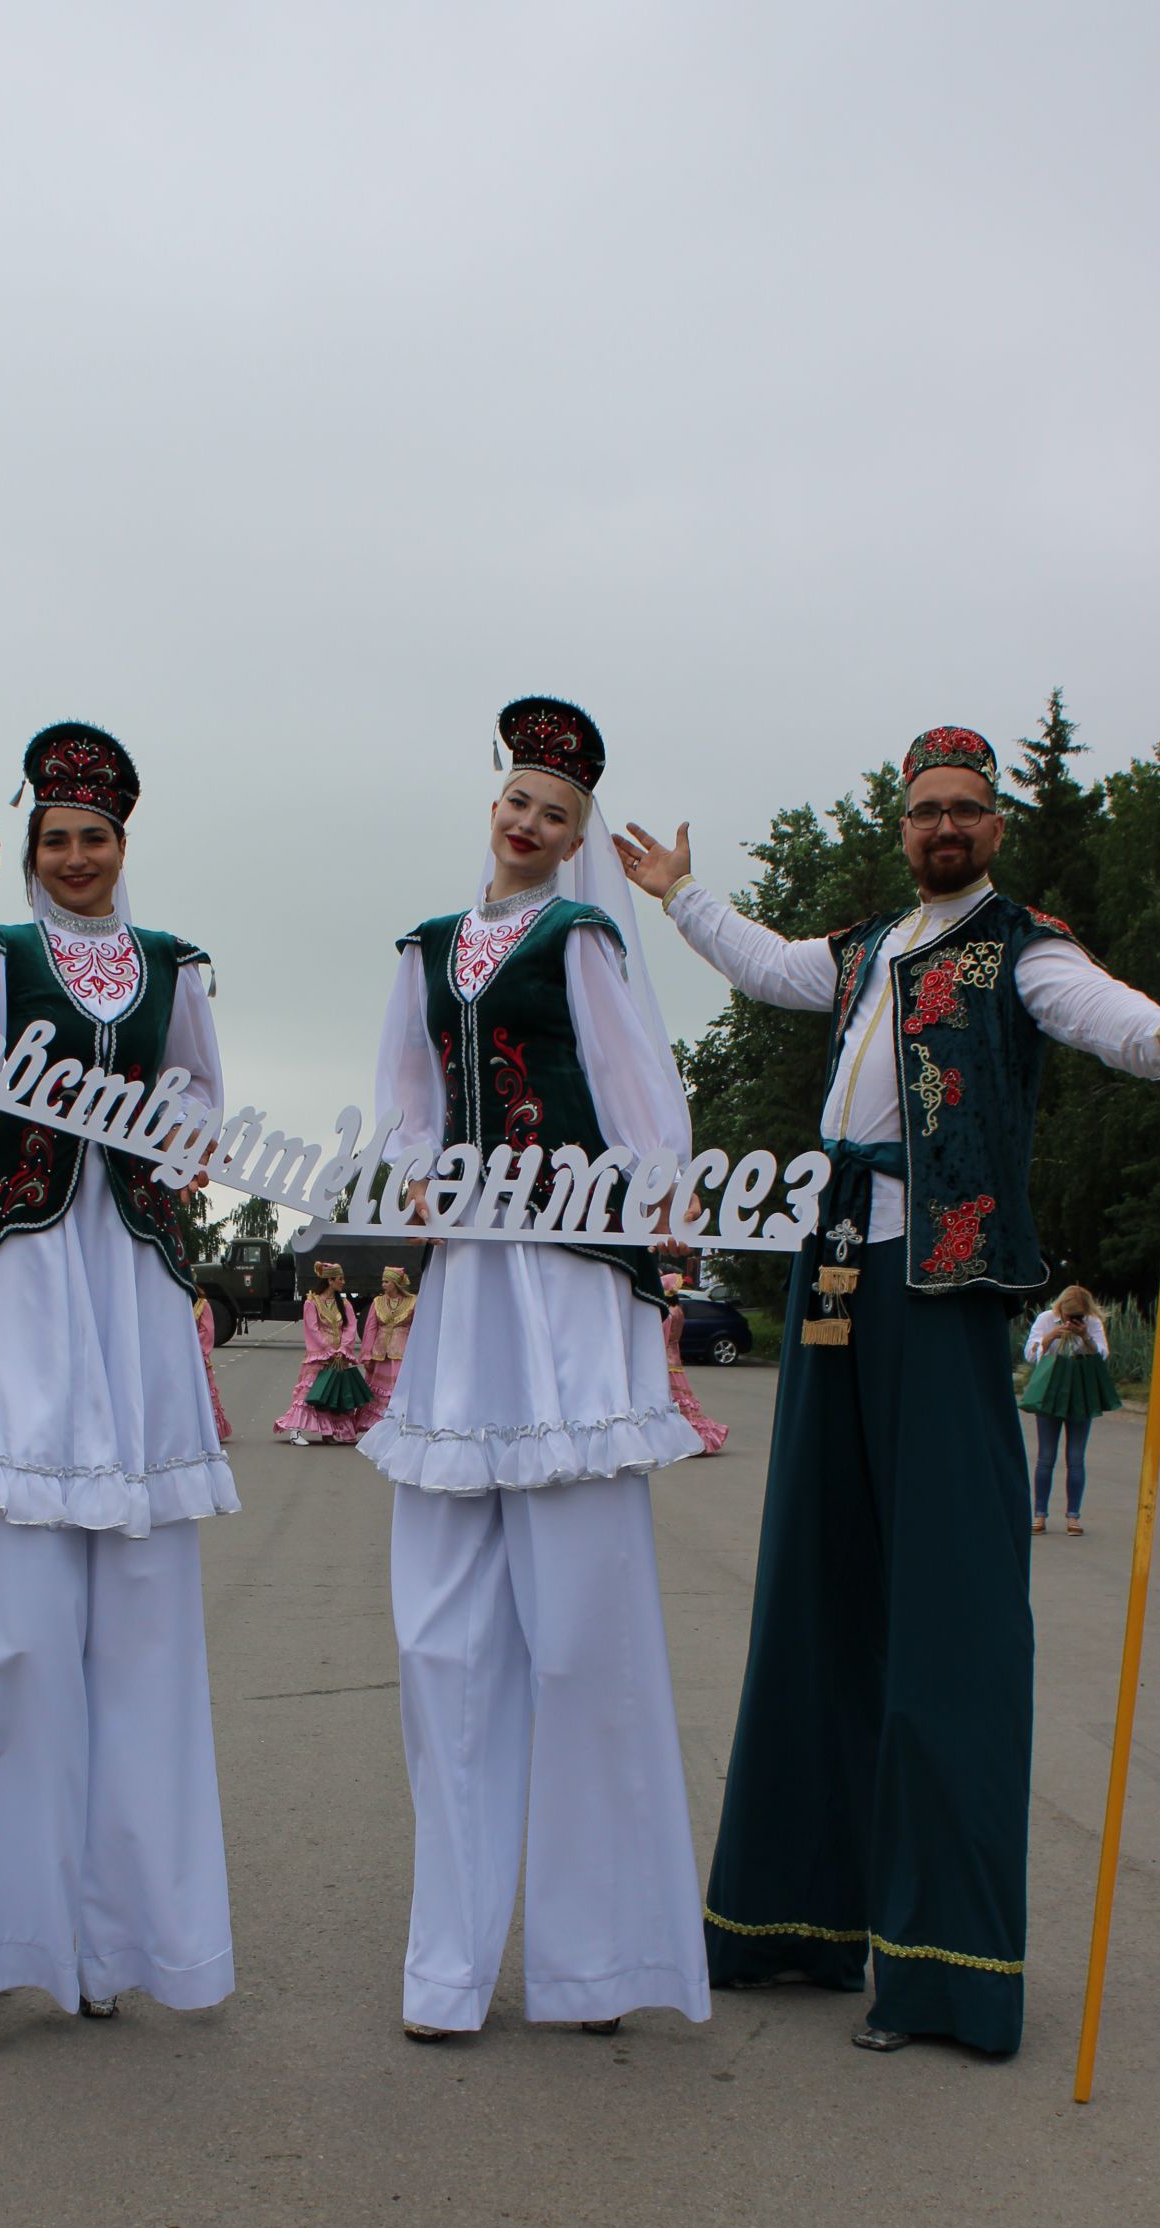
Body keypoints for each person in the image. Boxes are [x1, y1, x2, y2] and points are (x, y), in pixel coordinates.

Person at [618, 724, 1160, 2056]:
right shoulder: (867, 948)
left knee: (948, 1615)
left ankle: (947, 1968)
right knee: (813, 1587)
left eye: (966, 811)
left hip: (944, 1287)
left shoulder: (1025, 942)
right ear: (902, 826)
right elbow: (768, 966)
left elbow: (1099, 1009)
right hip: (835, 1270)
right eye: (925, 811)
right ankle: (795, 1926)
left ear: (995, 825)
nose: (944, 828)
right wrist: (679, 897)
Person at [364, 695, 710, 2043]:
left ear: (577, 839)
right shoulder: (426, 948)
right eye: (518, 803)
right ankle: (447, 1970)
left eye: (556, 814)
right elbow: (404, 1092)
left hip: (566, 1287)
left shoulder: (585, 936)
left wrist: (662, 1225)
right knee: (441, 1642)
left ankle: (591, 1964)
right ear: (494, 808)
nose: (529, 825)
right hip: (467, 1300)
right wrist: (413, 1174)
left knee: (580, 1643)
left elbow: (642, 1093)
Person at [0, 721, 237, 2053]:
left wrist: (177, 1137)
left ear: (122, 845)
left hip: (138, 1287)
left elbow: (207, 1103)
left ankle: (118, 1945)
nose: (76, 858)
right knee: (15, 1644)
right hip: (27, 1286)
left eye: (95, 838)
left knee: (143, 1641)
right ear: (33, 850)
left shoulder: (173, 968)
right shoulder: (0, 958)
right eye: (56, 839)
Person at [1021, 1285, 1119, 1533]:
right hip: (1050, 1392)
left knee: (1075, 1458)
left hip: (1079, 1393)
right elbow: (1030, 1355)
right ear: (1061, 1310)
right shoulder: (1046, 1319)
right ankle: (1039, 1514)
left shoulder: (1092, 1322)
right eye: (1069, 1316)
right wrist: (1051, 1336)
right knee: (1046, 1457)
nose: (1072, 1320)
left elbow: (1103, 1355)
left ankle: (1073, 1516)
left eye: (1077, 1316)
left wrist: (1085, 1336)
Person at [274, 1260, 368, 1444]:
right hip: (320, 1355)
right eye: (340, 1279)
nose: (343, 1282)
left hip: (339, 1356)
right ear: (330, 1281)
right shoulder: (312, 1302)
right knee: (309, 1392)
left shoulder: (344, 1303)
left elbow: (350, 1327)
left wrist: (342, 1348)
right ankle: (295, 1432)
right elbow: (312, 1328)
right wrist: (328, 1349)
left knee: (333, 1393)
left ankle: (329, 1432)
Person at [661, 1272, 729, 1455]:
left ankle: (681, 1439)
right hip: (675, 1356)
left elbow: (662, 1337)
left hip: (665, 1359)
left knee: (672, 1400)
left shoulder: (667, 1313)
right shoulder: (679, 1310)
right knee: (682, 1400)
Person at [357, 1265, 417, 1434]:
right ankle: (376, 1425)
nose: (383, 1285)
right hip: (380, 1353)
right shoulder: (377, 1302)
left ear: (396, 1283)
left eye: (386, 1281)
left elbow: (417, 1328)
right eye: (382, 1281)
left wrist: (417, 1353)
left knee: (397, 1387)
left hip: (402, 1352)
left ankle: (397, 1422)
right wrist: (366, 1354)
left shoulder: (413, 1301)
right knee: (377, 1389)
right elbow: (370, 1329)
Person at [194, 1291, 232, 1443]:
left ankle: (212, 1429)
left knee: (205, 1392)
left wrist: (190, 1346)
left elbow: (207, 1332)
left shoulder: (202, 1305)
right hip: (180, 1358)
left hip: (198, 1356)